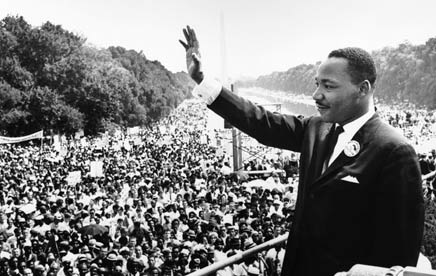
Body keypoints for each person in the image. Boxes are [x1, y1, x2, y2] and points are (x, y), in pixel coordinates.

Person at [179, 26, 424, 276]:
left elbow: (399, 254)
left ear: (363, 89)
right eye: (317, 84)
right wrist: (202, 80)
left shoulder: (395, 152)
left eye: (328, 86)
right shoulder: (316, 127)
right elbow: (260, 122)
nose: (316, 95)